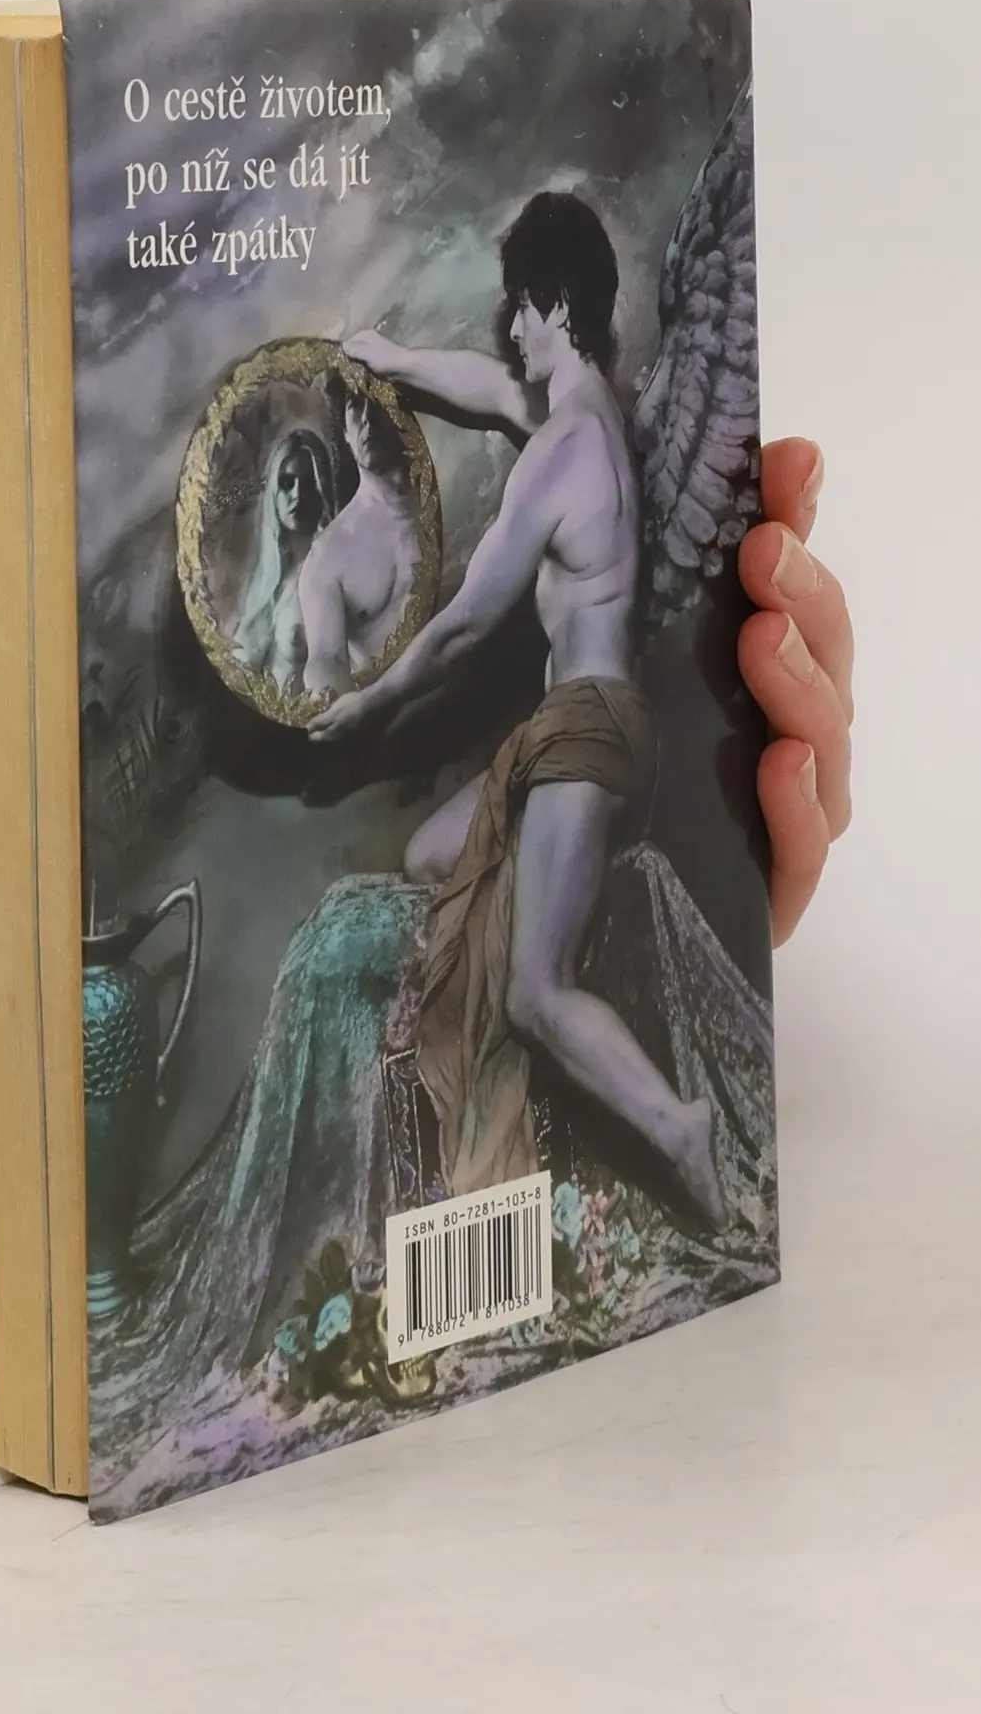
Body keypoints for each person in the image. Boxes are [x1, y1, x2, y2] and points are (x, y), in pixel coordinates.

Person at [311, 192, 853, 1222]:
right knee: (433, 855)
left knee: (534, 991)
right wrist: (393, 360)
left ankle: (677, 1126)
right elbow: (488, 386)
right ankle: (541, 1018)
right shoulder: (599, 419)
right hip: (578, 730)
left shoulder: (565, 450)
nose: (510, 328)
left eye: (521, 306)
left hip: (587, 730)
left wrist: (367, 708)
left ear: (555, 304)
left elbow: (466, 626)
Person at [295, 395, 422, 700]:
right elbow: (326, 661)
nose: (368, 418)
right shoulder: (328, 555)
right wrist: (329, 696)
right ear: (346, 432)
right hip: (396, 712)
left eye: (377, 400)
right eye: (355, 405)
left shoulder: (446, 493)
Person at [231, 426, 339, 691]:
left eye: (309, 483)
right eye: (287, 483)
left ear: (323, 489)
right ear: (273, 493)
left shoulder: (333, 575)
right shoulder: (268, 578)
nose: (297, 495)